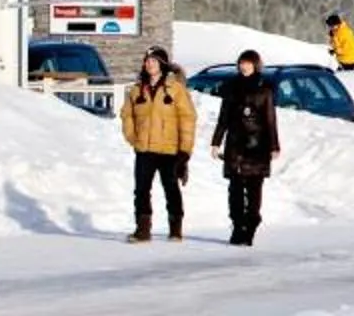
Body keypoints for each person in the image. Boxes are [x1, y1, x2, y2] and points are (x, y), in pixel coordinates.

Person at [117, 47, 196, 243]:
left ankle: (175, 228)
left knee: (171, 188)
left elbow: (188, 118)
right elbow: (127, 114)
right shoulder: (137, 89)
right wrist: (132, 137)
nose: (149, 64)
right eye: (147, 60)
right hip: (144, 148)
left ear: (162, 64)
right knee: (141, 189)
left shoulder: (175, 88)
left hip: (169, 149)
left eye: (154, 60)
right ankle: (143, 230)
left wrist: (185, 150)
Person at [208, 49, 281, 247]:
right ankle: (238, 225)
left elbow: (270, 120)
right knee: (235, 190)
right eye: (241, 63)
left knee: (254, 189)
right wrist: (216, 142)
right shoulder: (232, 88)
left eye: (248, 63)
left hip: (257, 146)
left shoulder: (265, 88)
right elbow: (223, 118)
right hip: (235, 145)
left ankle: (251, 225)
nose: (244, 67)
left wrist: (274, 146)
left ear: (255, 65)